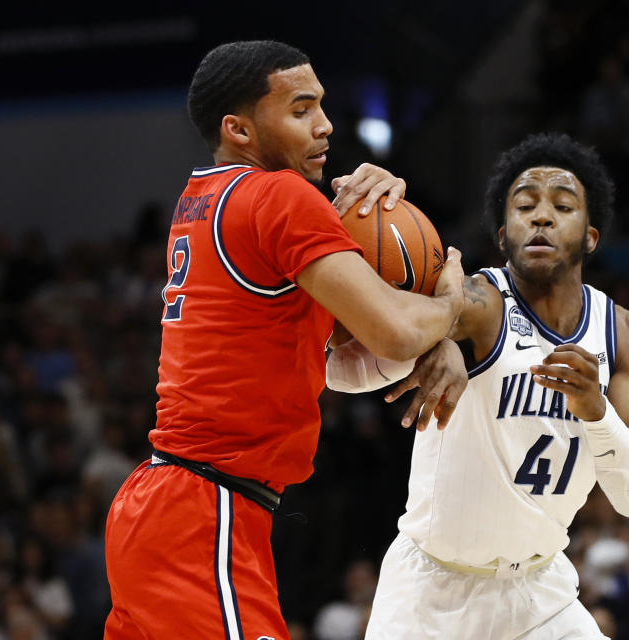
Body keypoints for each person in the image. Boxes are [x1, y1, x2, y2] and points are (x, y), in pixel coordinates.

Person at [102, 40, 466, 640]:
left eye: (321, 106)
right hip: (203, 514)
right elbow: (397, 332)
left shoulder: (204, 197)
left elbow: (335, 363)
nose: (324, 125)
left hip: (170, 508)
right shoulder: (278, 196)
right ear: (239, 128)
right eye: (300, 111)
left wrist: (351, 213)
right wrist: (447, 303)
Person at [328, 133, 629, 638]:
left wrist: (597, 413)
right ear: (503, 234)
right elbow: (343, 373)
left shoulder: (626, 337)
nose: (542, 216)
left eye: (563, 205)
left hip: (540, 594)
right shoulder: (474, 303)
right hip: (432, 594)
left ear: (590, 235)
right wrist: (345, 229)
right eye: (524, 205)